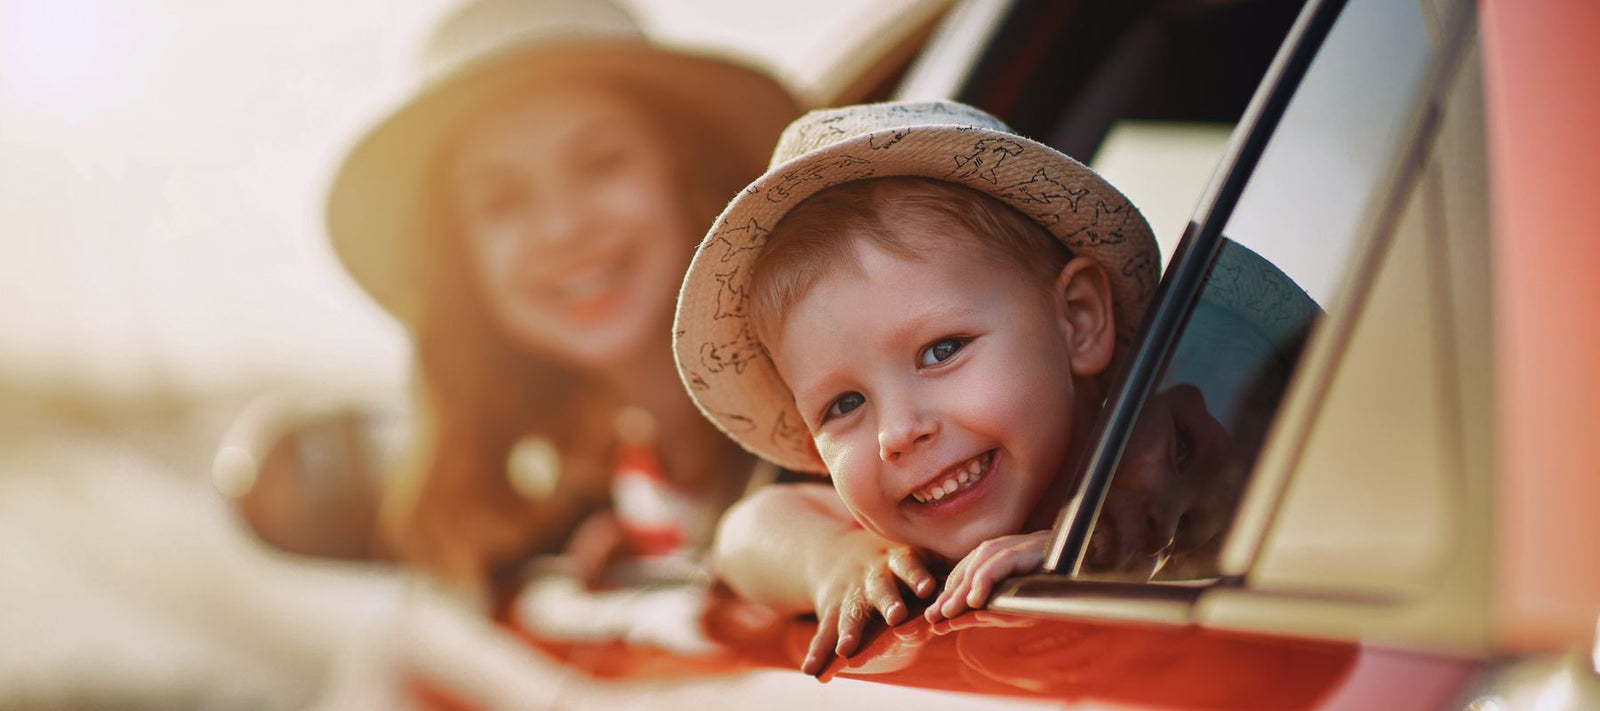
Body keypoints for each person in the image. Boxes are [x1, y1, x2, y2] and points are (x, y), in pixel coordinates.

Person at [324, 0, 799, 599]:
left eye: (601, 164)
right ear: (464, 268)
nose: (560, 228)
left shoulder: (847, 415)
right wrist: (653, 546)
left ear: (687, 178)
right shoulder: (616, 491)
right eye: (503, 201)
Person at [672, 100, 1161, 674]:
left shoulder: (1165, 440)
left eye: (942, 351)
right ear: (815, 450)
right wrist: (839, 560)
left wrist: (1099, 541)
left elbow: (1198, 496)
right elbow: (742, 535)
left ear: (1077, 320)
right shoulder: (905, 551)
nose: (898, 432)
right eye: (844, 405)